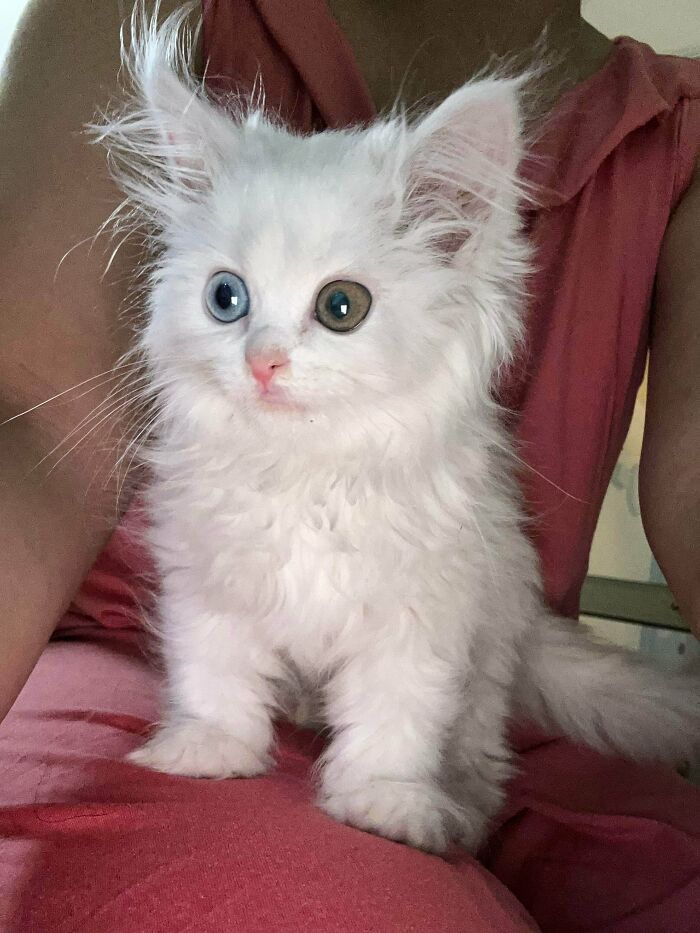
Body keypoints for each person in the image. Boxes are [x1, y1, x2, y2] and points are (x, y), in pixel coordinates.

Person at [0, 1, 698, 930]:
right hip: (105, 667)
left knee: (450, 622)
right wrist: (218, 721)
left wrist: (392, 767)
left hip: (452, 691)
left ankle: (435, 770)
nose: (265, 354)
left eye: (337, 307)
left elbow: (420, 629)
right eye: (228, 296)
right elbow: (205, 584)